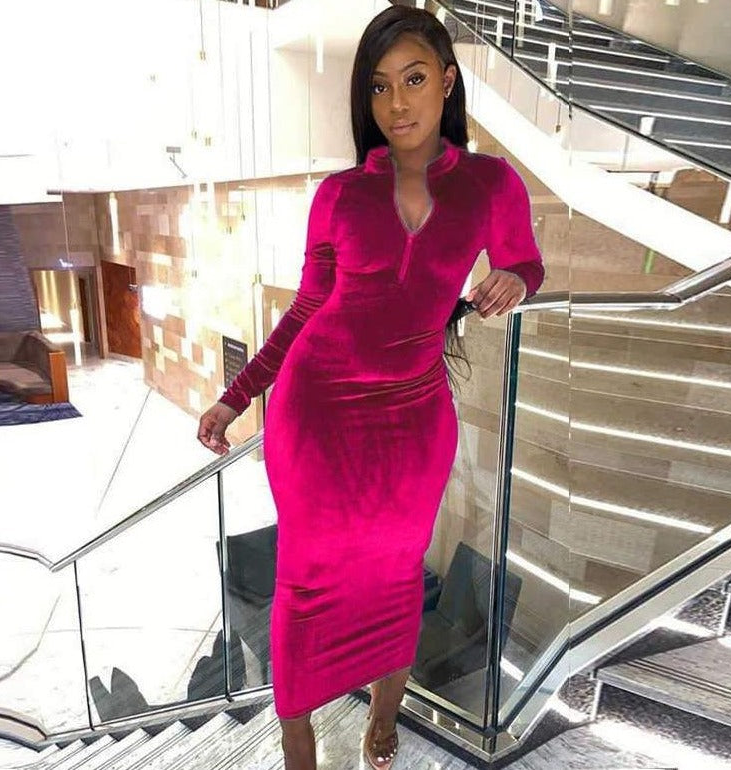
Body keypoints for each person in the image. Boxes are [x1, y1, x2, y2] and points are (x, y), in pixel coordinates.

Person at [197, 6, 544, 769]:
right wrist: (237, 395)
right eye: (380, 86)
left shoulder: (490, 184)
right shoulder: (339, 195)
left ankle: (384, 722)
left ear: (447, 82)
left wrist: (517, 279)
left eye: (414, 80)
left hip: (414, 422)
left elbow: (525, 259)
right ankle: (298, 737)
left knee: (395, 577)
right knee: (306, 583)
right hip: (317, 415)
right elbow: (305, 309)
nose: (396, 103)